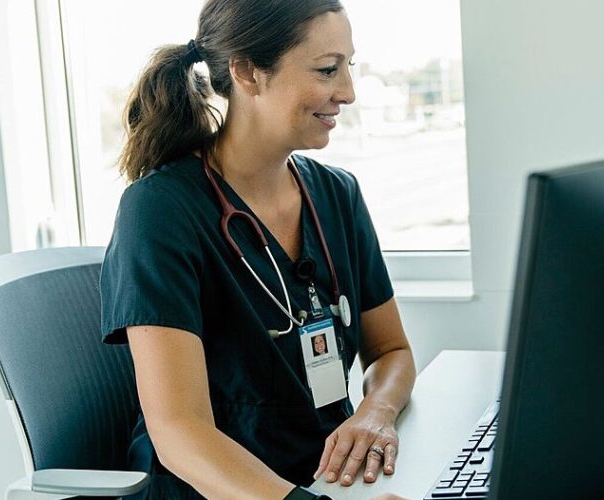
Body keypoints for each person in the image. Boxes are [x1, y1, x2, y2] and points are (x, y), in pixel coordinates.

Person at [99, 1, 416, 499]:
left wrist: (375, 413)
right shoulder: (161, 211)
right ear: (248, 72)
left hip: (324, 480)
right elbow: (180, 433)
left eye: (348, 67)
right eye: (327, 70)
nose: (348, 93)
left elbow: (391, 351)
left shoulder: (337, 194)